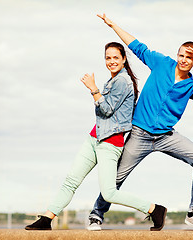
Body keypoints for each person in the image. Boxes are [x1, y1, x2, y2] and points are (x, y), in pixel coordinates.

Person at [87, 14, 193, 231]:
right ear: (177, 55)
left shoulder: (192, 85)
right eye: (181, 54)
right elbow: (137, 46)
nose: (184, 59)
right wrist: (113, 25)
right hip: (140, 134)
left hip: (167, 136)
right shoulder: (162, 63)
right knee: (116, 177)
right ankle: (96, 214)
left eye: (189, 57)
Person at [24, 42, 167, 231]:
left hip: (110, 143)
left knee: (109, 193)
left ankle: (154, 209)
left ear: (124, 59)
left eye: (116, 57)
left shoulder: (123, 81)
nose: (111, 61)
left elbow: (106, 110)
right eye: (108, 58)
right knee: (71, 181)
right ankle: (47, 219)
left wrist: (93, 89)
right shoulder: (114, 80)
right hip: (94, 138)